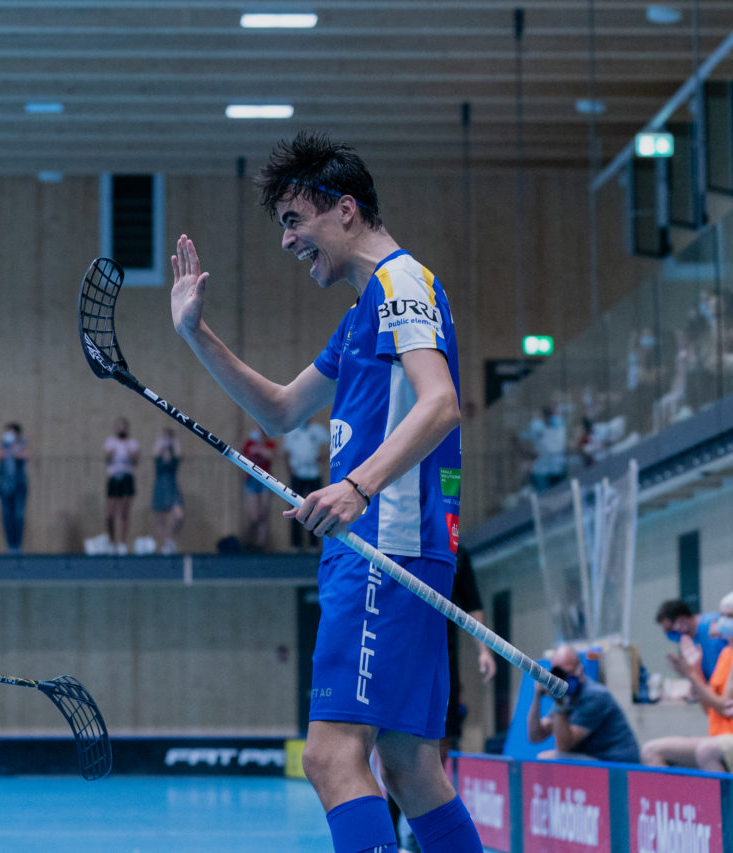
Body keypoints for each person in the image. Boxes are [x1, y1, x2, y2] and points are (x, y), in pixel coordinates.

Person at [171, 130, 478, 852]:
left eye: (293, 220)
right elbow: (281, 409)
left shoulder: (403, 284)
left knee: (333, 754)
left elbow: (440, 404)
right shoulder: (361, 313)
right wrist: (196, 334)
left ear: (345, 211)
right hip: (398, 543)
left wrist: (358, 486)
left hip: (385, 542)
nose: (286, 241)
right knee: (408, 764)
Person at [387, 546, 496, 850]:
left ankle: (421, 834)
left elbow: (472, 604)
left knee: (436, 757)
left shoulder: (456, 550)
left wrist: (483, 651)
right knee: (393, 758)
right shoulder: (398, 536)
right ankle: (392, 833)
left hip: (441, 660)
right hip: (398, 654)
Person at [641, 592, 733, 771]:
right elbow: (709, 708)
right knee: (650, 751)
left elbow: (724, 706)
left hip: (724, 739)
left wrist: (691, 675)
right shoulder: (725, 654)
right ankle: (669, 799)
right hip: (717, 734)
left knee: (706, 751)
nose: (720, 622)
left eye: (729, 616)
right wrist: (694, 671)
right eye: (722, 615)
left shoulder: (714, 640)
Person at [526, 644, 640, 763]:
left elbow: (564, 747)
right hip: (595, 760)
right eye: (559, 674)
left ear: (580, 670)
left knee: (551, 758)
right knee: (546, 757)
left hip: (617, 763)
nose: (564, 678)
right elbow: (535, 736)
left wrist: (559, 703)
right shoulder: (568, 696)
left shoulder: (595, 695)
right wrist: (537, 696)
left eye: (568, 672)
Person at [283, 418, 329, 552]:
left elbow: (330, 443)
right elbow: (286, 453)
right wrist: (289, 469)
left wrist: (323, 457)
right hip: (297, 473)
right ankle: (295, 544)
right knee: (294, 508)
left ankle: (314, 544)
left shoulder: (317, 430)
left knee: (316, 508)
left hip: (314, 473)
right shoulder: (291, 433)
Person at [656, 598, 727, 683]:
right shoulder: (691, 637)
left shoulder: (713, 625)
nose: (671, 634)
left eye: (670, 629)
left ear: (681, 619)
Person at [103, 416, 139, 556]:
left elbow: (135, 460)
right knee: (110, 514)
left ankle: (122, 543)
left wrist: (128, 449)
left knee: (124, 513)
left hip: (127, 477)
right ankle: (112, 542)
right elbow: (107, 459)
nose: (121, 429)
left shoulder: (132, 443)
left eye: (123, 426)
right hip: (114, 477)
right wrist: (113, 451)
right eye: (118, 426)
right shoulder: (111, 442)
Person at [240, 428, 277, 552]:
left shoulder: (270, 444)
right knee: (254, 516)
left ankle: (261, 545)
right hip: (251, 480)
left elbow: (270, 456)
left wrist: (260, 449)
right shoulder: (249, 444)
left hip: (265, 481)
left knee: (263, 514)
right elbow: (244, 457)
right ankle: (251, 542)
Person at [0, 422, 30, 554]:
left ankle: (18, 545)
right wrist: (11, 450)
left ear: (17, 434)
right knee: (7, 515)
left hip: (19, 485)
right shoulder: (2, 444)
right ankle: (10, 545)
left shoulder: (23, 443)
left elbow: (25, 454)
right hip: (5, 485)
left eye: (11, 432)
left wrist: (12, 450)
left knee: (18, 515)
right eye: (7, 432)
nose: (8, 435)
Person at [150, 426, 184, 555]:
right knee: (161, 519)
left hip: (172, 487)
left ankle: (169, 540)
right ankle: (163, 545)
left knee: (179, 515)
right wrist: (162, 439)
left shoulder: (174, 456)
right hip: (160, 487)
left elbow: (179, 454)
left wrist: (174, 438)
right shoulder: (158, 456)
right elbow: (155, 452)